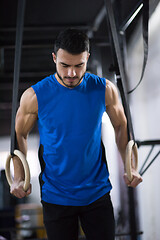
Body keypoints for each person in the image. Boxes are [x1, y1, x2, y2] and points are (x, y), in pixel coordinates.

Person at [10, 28, 142, 240]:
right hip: (56, 195)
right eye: (65, 65)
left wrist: (131, 165)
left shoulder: (104, 89)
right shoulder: (34, 96)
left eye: (79, 65)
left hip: (96, 193)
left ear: (87, 58)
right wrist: (18, 177)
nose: (71, 73)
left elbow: (121, 126)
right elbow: (20, 135)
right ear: (54, 58)